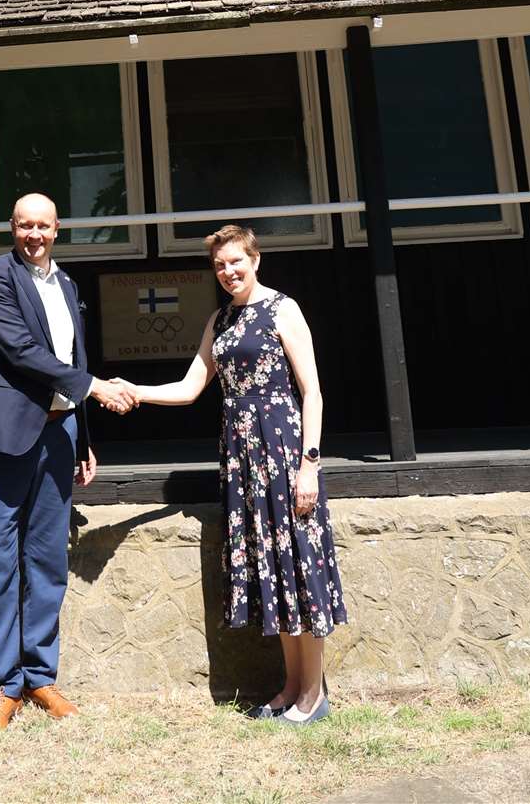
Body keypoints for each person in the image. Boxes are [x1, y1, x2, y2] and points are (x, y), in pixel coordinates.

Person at [122, 224, 346, 725]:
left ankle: (314, 696)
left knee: (298, 565)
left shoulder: (282, 309)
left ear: (255, 259)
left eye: (236, 262)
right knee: (273, 567)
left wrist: (309, 463)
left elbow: (312, 390)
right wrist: (135, 390)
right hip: (243, 461)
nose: (228, 272)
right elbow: (189, 387)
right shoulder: (219, 320)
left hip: (285, 453)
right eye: (220, 265)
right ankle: (291, 686)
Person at [0, 192, 136, 740]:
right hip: (3, 436)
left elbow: (71, 362)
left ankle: (40, 676)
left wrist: (82, 434)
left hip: (58, 434)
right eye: (23, 225)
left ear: (57, 228)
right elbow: (20, 352)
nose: (33, 234)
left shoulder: (68, 285)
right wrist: (94, 387)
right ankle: (5, 685)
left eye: (42, 225)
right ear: (11, 228)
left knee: (46, 561)